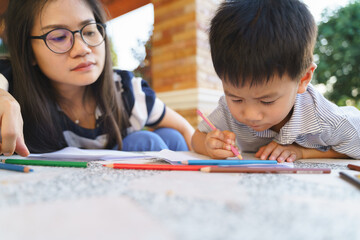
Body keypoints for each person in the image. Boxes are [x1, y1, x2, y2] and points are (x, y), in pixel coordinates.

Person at [0, 0, 194, 156]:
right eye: (59, 37)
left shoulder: (127, 90)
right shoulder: (12, 81)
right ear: (30, 52)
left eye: (90, 31)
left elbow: (187, 132)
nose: (82, 49)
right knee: (145, 142)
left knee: (170, 137)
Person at [192, 0, 360, 162]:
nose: (250, 115)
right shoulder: (227, 111)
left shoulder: (323, 118)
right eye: (237, 99)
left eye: (267, 101)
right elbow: (197, 137)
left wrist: (302, 152)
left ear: (303, 79)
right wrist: (209, 146)